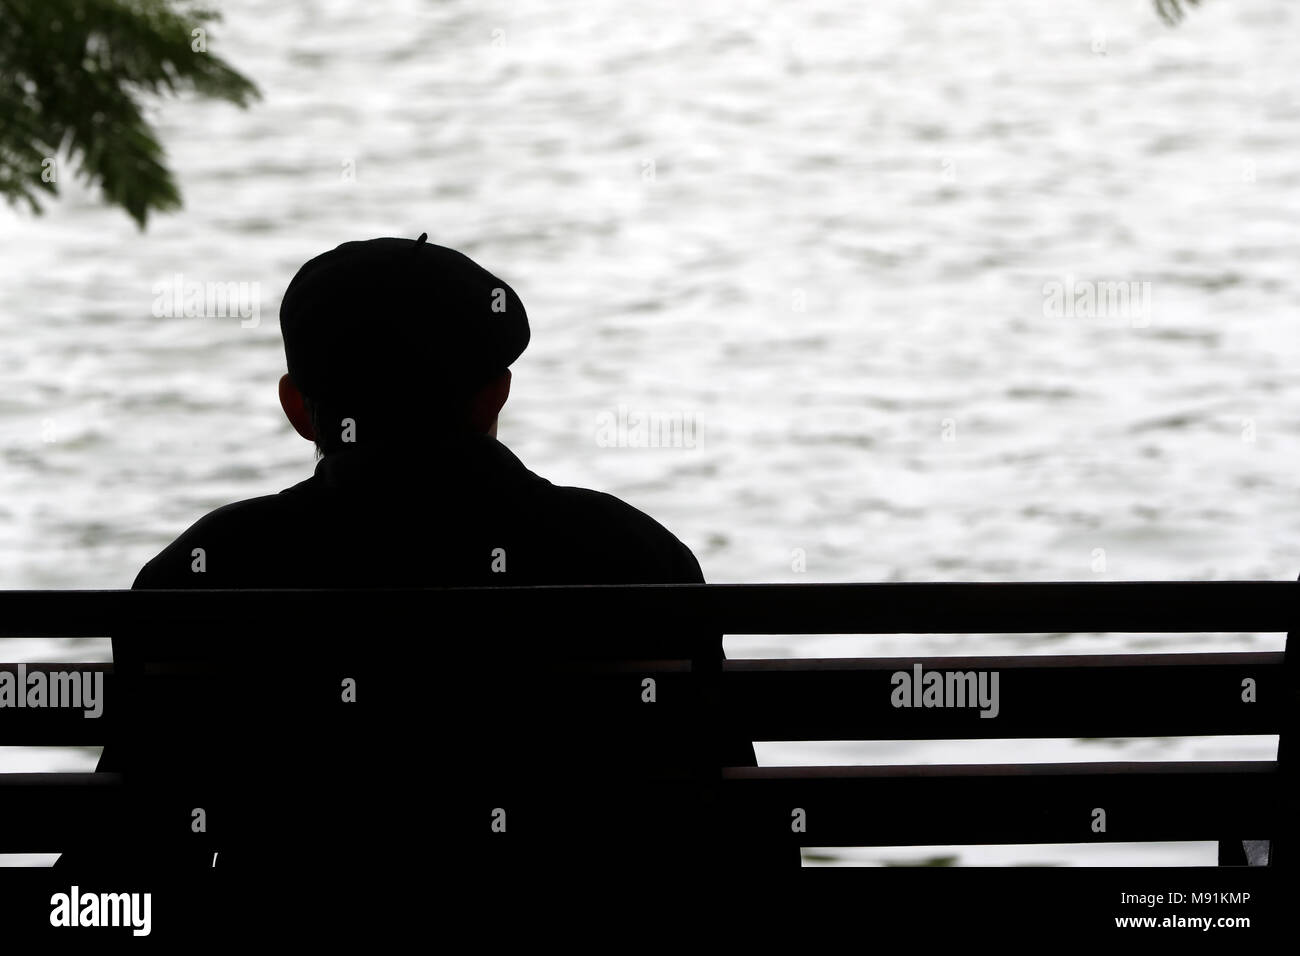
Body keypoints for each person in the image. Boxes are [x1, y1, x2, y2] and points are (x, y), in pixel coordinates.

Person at [69, 235, 795, 873]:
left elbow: (134, 846)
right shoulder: (636, 558)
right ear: (494, 397)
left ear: (296, 407)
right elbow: (735, 826)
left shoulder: (200, 574)